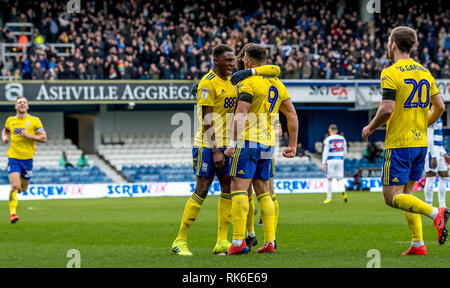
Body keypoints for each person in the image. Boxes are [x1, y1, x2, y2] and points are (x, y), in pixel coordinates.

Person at [171, 44, 281, 256]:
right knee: (202, 189)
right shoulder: (207, 83)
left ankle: (222, 240)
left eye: (234, 60)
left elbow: (273, 70)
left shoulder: (235, 79)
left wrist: (250, 71)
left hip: (229, 146)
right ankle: (180, 240)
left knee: (228, 189)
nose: (232, 64)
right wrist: (215, 150)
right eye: (228, 60)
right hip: (208, 145)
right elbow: (206, 118)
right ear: (215, 61)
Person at [361, 26, 448, 256]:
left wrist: (370, 126)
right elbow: (440, 106)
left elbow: (387, 109)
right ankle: (418, 244)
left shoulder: (390, 73)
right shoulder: (424, 71)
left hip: (399, 143)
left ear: (394, 45)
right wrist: (425, 124)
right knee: (407, 194)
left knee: (391, 197)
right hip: (420, 144)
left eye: (389, 40)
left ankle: (435, 213)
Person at [224, 44, 298, 255]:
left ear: (247, 60)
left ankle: (238, 243)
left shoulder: (249, 83)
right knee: (264, 192)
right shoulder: (277, 84)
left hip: (248, 142)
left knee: (238, 189)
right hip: (268, 143)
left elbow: (241, 113)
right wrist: (292, 144)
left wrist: (232, 142)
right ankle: (269, 242)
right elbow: (292, 115)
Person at [1, 96, 47, 224]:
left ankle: (20, 187)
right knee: (15, 186)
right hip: (14, 158)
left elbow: (43, 138)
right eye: (19, 102)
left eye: (24, 102)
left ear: (27, 106)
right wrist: (5, 138)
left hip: (27, 160)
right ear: (15, 106)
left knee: (24, 189)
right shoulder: (10, 120)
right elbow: (5, 131)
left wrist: (28, 135)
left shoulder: (34, 121)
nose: (22, 104)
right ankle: (13, 214)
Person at [423, 118, 448, 208]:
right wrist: (433, 156)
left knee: (444, 176)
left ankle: (442, 206)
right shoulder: (431, 115)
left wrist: (444, 153)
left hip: (439, 148)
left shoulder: (439, 117)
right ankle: (428, 206)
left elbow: (437, 138)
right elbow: (428, 138)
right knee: (431, 177)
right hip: (431, 149)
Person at [322, 124, 348, 203]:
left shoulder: (327, 139)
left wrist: (323, 163)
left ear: (329, 130)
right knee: (339, 178)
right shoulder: (342, 138)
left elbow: (325, 152)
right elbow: (345, 151)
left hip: (331, 160)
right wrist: (341, 158)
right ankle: (343, 191)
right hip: (340, 160)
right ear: (336, 131)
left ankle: (329, 198)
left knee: (329, 179)